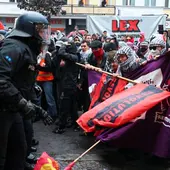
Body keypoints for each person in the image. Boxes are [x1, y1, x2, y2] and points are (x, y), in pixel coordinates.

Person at [0, 11, 53, 170]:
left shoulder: (26, 48)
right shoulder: (14, 47)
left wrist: (34, 104)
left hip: (12, 109)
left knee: (19, 150)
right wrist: (23, 103)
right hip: (2, 111)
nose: (43, 34)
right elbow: (1, 80)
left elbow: (18, 81)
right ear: (29, 30)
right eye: (40, 29)